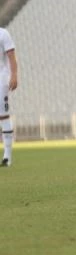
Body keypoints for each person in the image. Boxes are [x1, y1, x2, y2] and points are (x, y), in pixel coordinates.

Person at [0, 28, 18, 167]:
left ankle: (7, 156)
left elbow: (11, 56)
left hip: (1, 78)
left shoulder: (3, 33)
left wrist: (14, 75)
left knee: (3, 115)